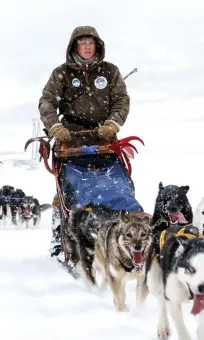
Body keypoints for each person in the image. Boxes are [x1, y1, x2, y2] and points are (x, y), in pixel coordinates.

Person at [39, 26, 143, 258]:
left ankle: (126, 235)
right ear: (74, 46)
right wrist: (56, 127)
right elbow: (46, 101)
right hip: (70, 142)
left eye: (91, 42)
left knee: (120, 187)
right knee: (69, 192)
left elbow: (121, 100)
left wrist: (113, 124)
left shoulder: (109, 72)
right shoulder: (62, 74)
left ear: (97, 46)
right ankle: (61, 235)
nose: (87, 46)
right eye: (82, 42)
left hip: (105, 140)